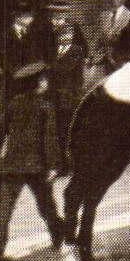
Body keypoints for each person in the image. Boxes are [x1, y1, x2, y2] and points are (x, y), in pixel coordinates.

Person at [0, 61, 66, 261]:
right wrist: (55, 166)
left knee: (3, 210)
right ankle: (60, 239)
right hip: (37, 166)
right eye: (43, 79)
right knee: (47, 204)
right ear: (37, 84)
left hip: (11, 165)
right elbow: (50, 139)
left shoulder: (13, 104)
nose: (46, 82)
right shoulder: (46, 106)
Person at [47, 23, 86, 171]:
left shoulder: (76, 50)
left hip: (70, 96)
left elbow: (65, 69)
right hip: (56, 96)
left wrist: (49, 67)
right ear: (58, 37)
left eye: (69, 35)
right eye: (63, 35)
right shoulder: (54, 52)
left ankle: (75, 163)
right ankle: (63, 164)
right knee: (59, 131)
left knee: (71, 130)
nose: (67, 38)